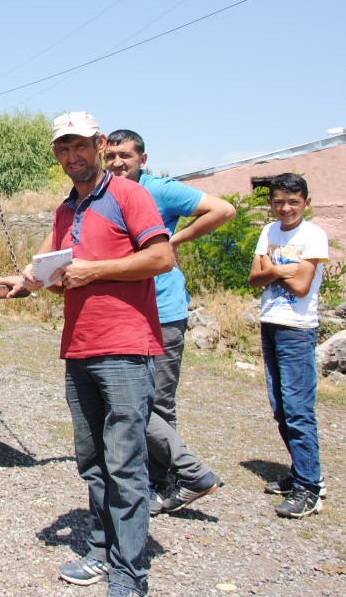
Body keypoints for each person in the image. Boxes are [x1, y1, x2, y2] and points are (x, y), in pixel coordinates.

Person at [20, 111, 172, 597]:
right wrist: (25, 281)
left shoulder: (129, 194)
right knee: (92, 460)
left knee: (125, 462)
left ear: (99, 144)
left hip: (125, 347)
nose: (72, 157)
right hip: (79, 347)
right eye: (63, 149)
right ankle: (104, 548)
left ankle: (130, 574)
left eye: (79, 146)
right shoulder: (66, 210)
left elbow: (161, 258)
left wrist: (93, 272)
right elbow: (51, 267)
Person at [104, 129, 233, 515]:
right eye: (110, 155)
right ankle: (159, 477)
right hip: (127, 310)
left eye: (125, 155)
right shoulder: (109, 191)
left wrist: (173, 242)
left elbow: (223, 209)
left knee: (157, 402)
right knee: (134, 399)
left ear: (143, 158)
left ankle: (172, 480)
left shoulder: (159, 190)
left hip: (163, 309)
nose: (117, 163)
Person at [248, 172, 329, 519]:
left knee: (298, 409)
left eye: (294, 202)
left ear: (306, 203)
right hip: (271, 323)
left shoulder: (314, 235)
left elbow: (302, 287)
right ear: (271, 203)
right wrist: (286, 269)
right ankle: (300, 472)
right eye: (279, 201)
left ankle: (310, 487)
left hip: (297, 329)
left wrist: (272, 268)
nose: (286, 208)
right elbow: (254, 278)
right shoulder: (268, 232)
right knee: (281, 407)